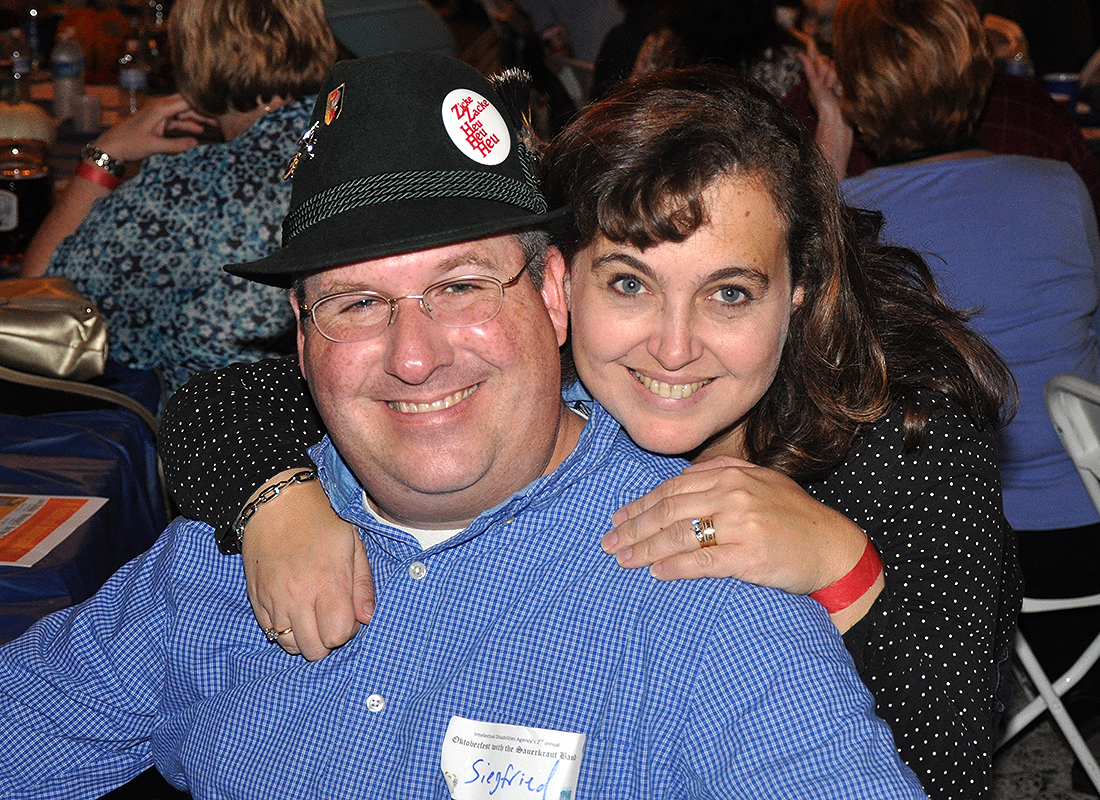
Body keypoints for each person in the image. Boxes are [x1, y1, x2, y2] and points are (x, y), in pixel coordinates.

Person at [0, 52, 925, 799]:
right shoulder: (222, 553)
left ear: (555, 295)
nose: (414, 355)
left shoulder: (696, 581)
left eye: (461, 286)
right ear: (301, 334)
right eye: (357, 302)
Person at [803, 0, 1100, 763]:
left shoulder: (846, 220)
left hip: (945, 556)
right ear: (978, 74)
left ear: (854, 91)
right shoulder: (1062, 187)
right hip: (1084, 534)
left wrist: (831, 136)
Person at [19, 0, 337, 393]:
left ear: (192, 56)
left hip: (227, 442)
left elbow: (37, 310)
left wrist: (106, 155)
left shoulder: (193, 189)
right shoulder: (364, 141)